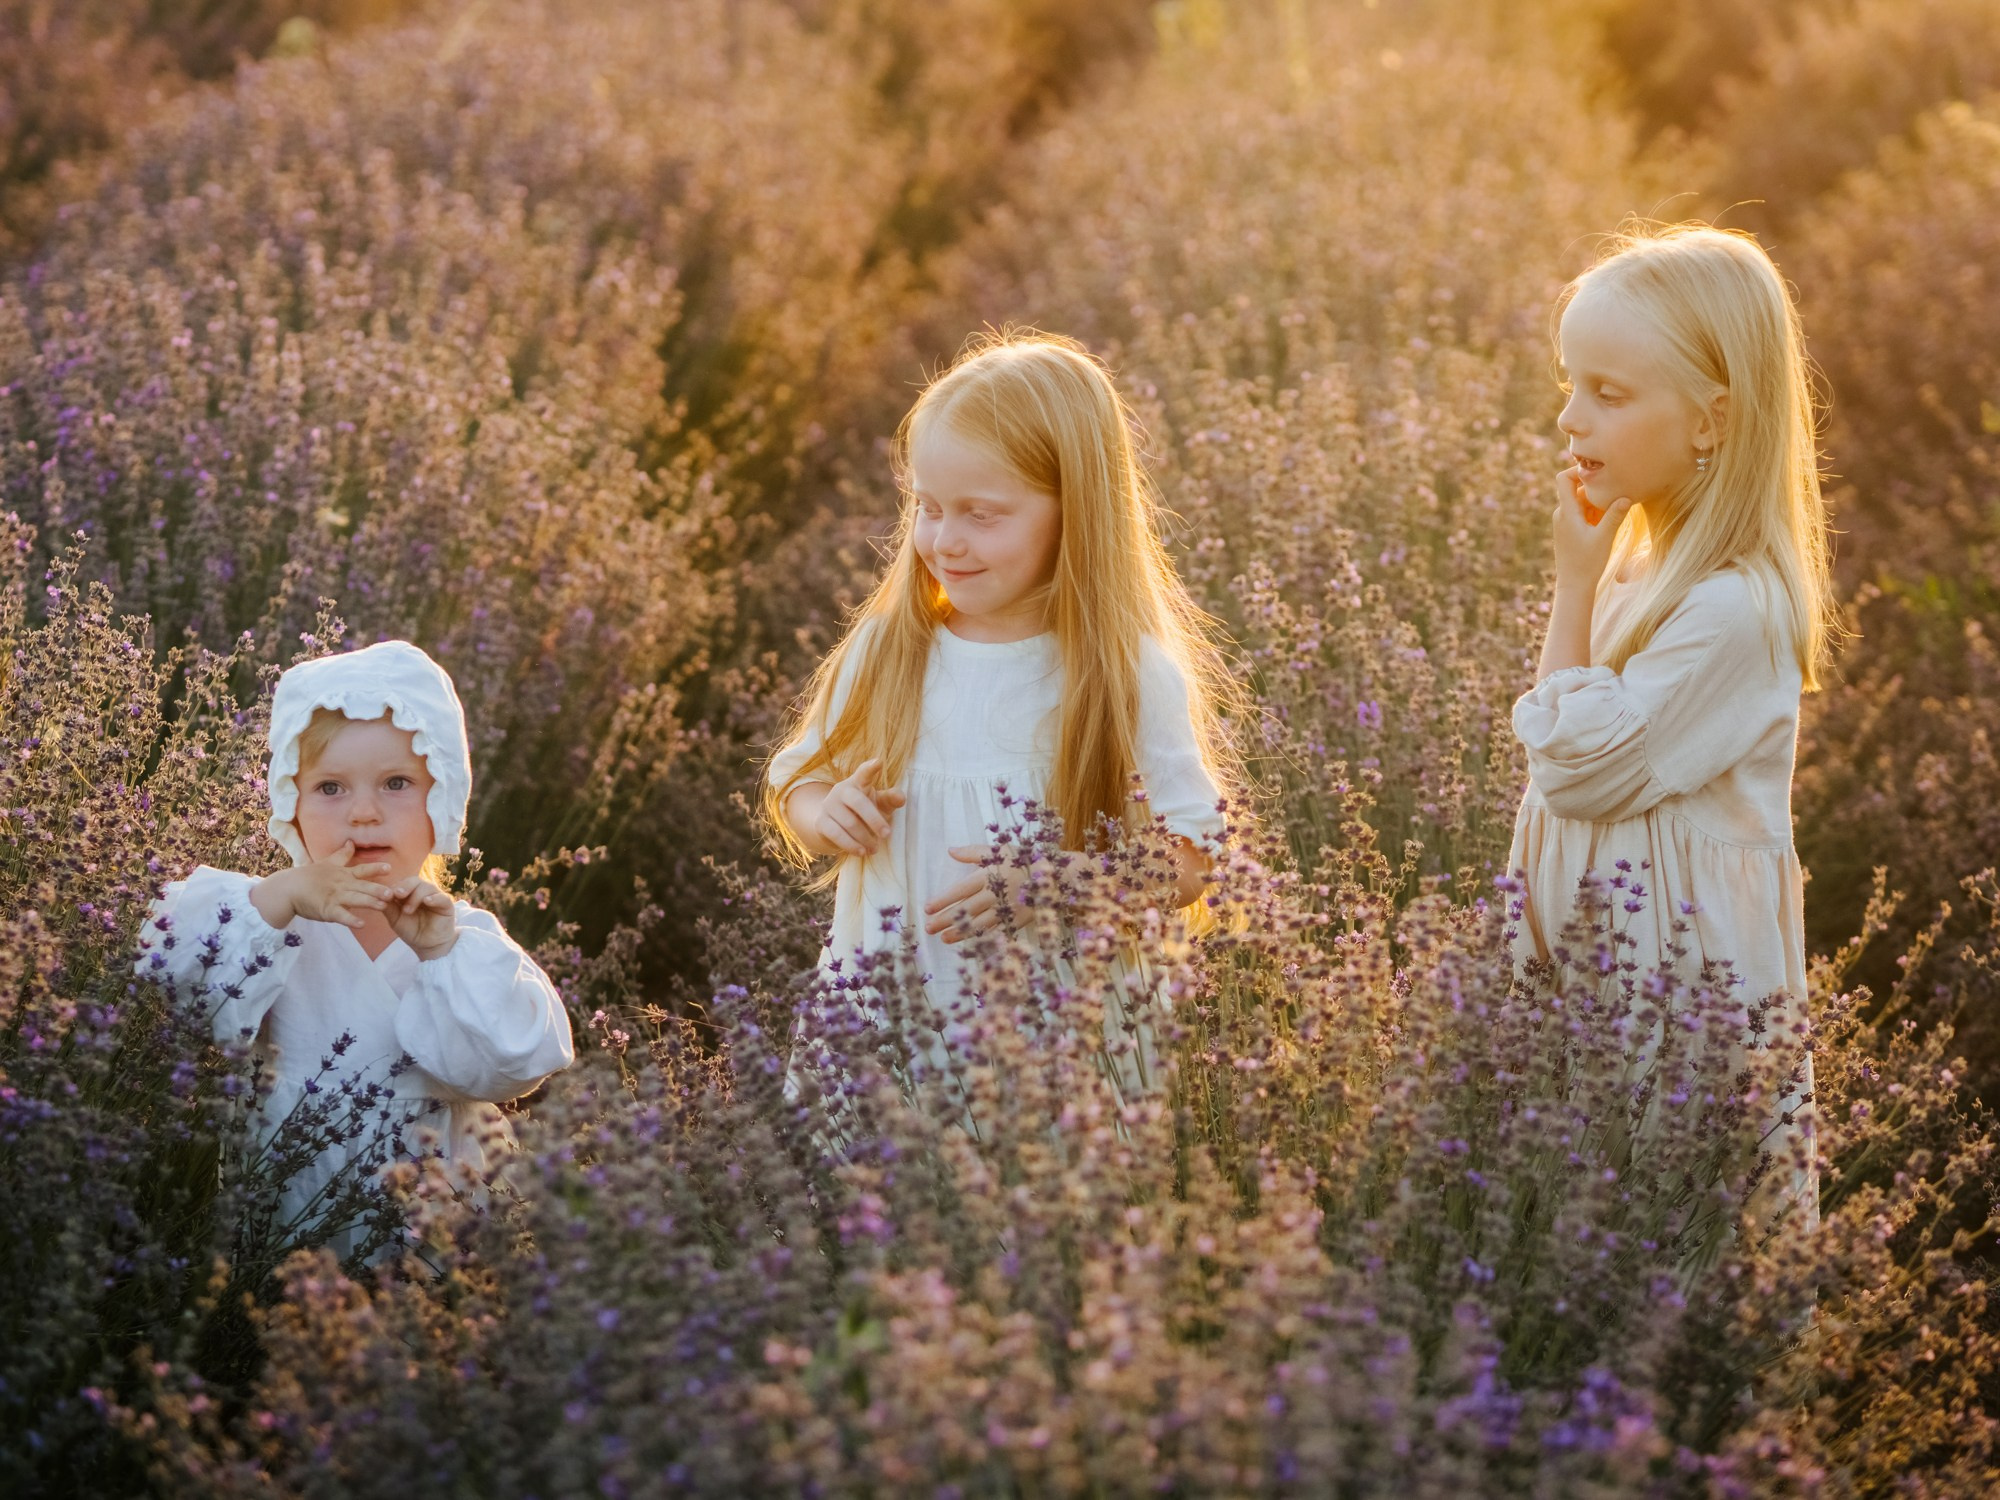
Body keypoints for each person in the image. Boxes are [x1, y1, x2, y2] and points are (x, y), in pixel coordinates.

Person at [764, 329, 1243, 1112]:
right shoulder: (894, 647)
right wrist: (829, 812)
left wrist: (1063, 880)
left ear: (1074, 513)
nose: (944, 540)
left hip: (1056, 1048)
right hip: (883, 1028)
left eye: (982, 515)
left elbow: (1196, 861)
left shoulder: (1122, 673)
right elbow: (798, 780)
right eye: (927, 507)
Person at [1508, 222, 1836, 1240]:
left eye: (1608, 394)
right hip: (1598, 967)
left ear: (1711, 420)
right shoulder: (1645, 559)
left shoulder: (1734, 609)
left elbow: (1578, 769)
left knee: (1673, 1246)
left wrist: (1567, 585)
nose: (1570, 418)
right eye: (1568, 384)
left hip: (1675, 997)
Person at [136, 640, 575, 1261]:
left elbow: (512, 1066)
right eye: (331, 788)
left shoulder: (463, 936)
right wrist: (277, 897)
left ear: (443, 798)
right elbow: (169, 990)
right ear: (291, 803)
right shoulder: (266, 919)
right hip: (285, 1197)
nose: (364, 814)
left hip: (431, 1216)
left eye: (396, 783)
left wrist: (441, 954)